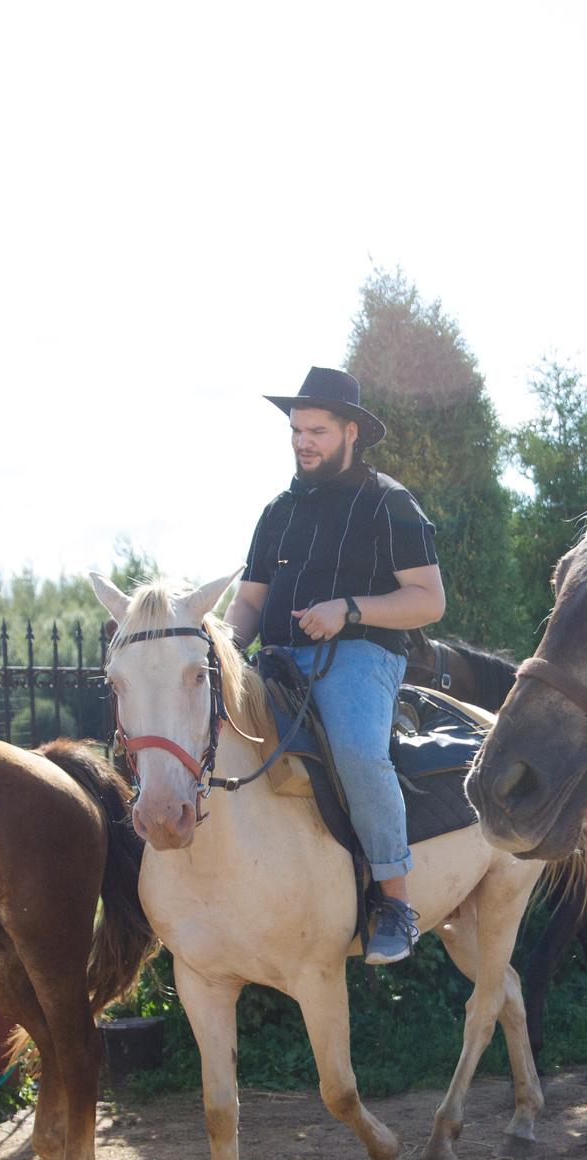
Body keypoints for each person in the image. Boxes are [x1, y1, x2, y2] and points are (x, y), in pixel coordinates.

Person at [222, 367, 448, 964]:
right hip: (272, 657)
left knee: (353, 750)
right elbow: (249, 601)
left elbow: (429, 599)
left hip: (360, 656)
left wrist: (348, 610)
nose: (303, 442)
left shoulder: (390, 501)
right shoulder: (277, 511)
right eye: (296, 430)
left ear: (351, 431)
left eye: (317, 430)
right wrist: (218, 650)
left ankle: (395, 903)